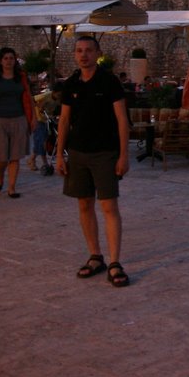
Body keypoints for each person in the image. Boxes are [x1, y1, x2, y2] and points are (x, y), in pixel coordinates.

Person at [56, 36, 130, 287]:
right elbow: (64, 120)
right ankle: (95, 256)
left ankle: (115, 262)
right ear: (74, 55)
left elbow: (122, 119)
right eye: (79, 51)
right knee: (84, 204)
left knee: (109, 206)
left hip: (105, 153)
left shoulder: (109, 82)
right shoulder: (71, 84)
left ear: (98, 53)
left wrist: (123, 155)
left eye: (88, 50)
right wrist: (59, 154)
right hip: (78, 153)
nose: (84, 55)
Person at [0, 47, 34, 198]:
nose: (8, 61)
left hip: (19, 118)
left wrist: (33, 118)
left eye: (11, 58)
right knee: (2, 157)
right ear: (0, 61)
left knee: (15, 155)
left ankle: (11, 187)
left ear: (15, 60)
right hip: (0, 119)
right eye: (5, 58)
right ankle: (0, 176)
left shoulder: (21, 78)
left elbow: (29, 97)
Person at [29, 81, 63, 170]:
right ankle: (45, 163)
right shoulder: (46, 95)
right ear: (54, 92)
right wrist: (38, 106)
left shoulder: (60, 99)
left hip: (49, 120)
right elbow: (32, 99)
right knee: (42, 141)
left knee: (43, 141)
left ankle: (32, 159)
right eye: (58, 94)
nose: (59, 96)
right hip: (39, 120)